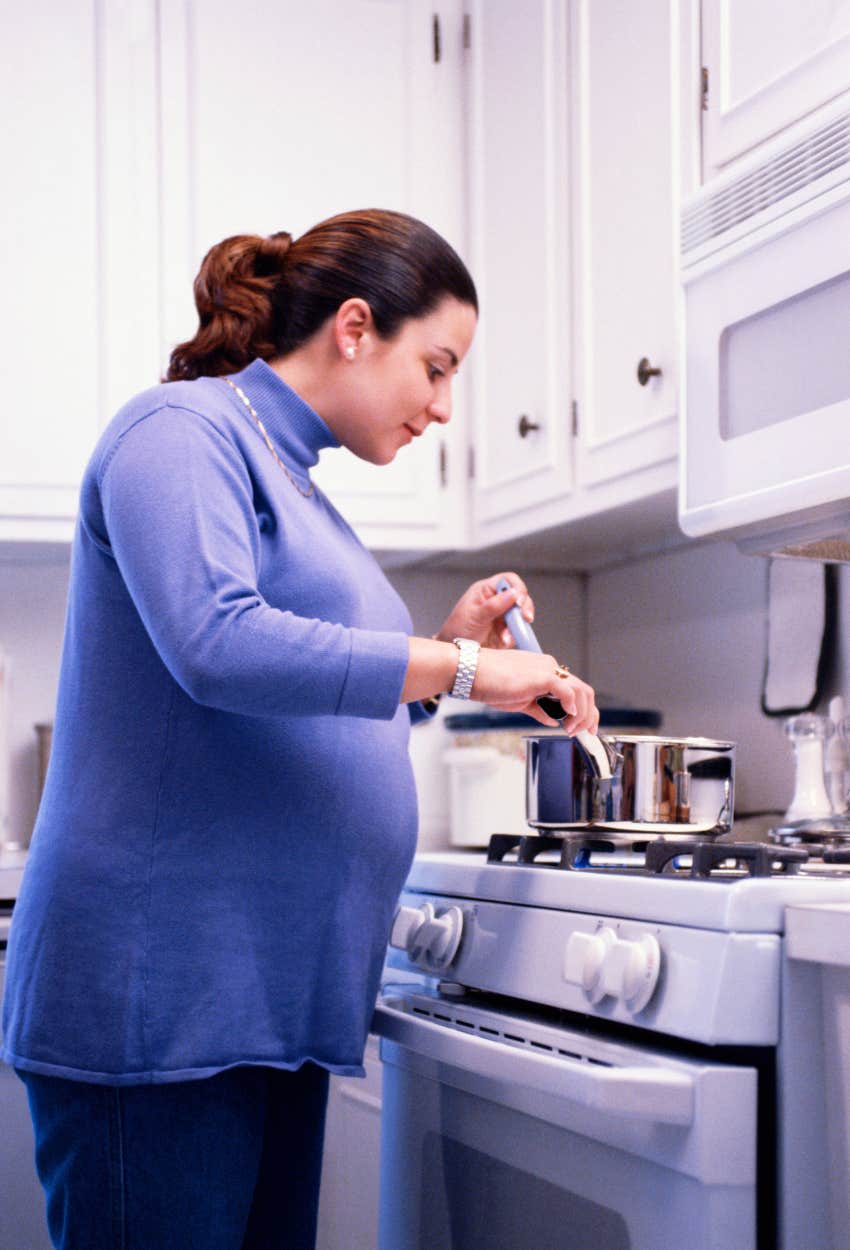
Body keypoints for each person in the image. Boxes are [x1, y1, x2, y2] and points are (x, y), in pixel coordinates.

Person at [1, 208, 598, 1249]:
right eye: (437, 365)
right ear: (357, 326)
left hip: (262, 1001)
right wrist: (463, 662)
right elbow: (218, 644)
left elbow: (303, 713)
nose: (446, 407)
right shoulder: (178, 431)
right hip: (164, 995)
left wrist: (441, 664)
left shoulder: (298, 485)